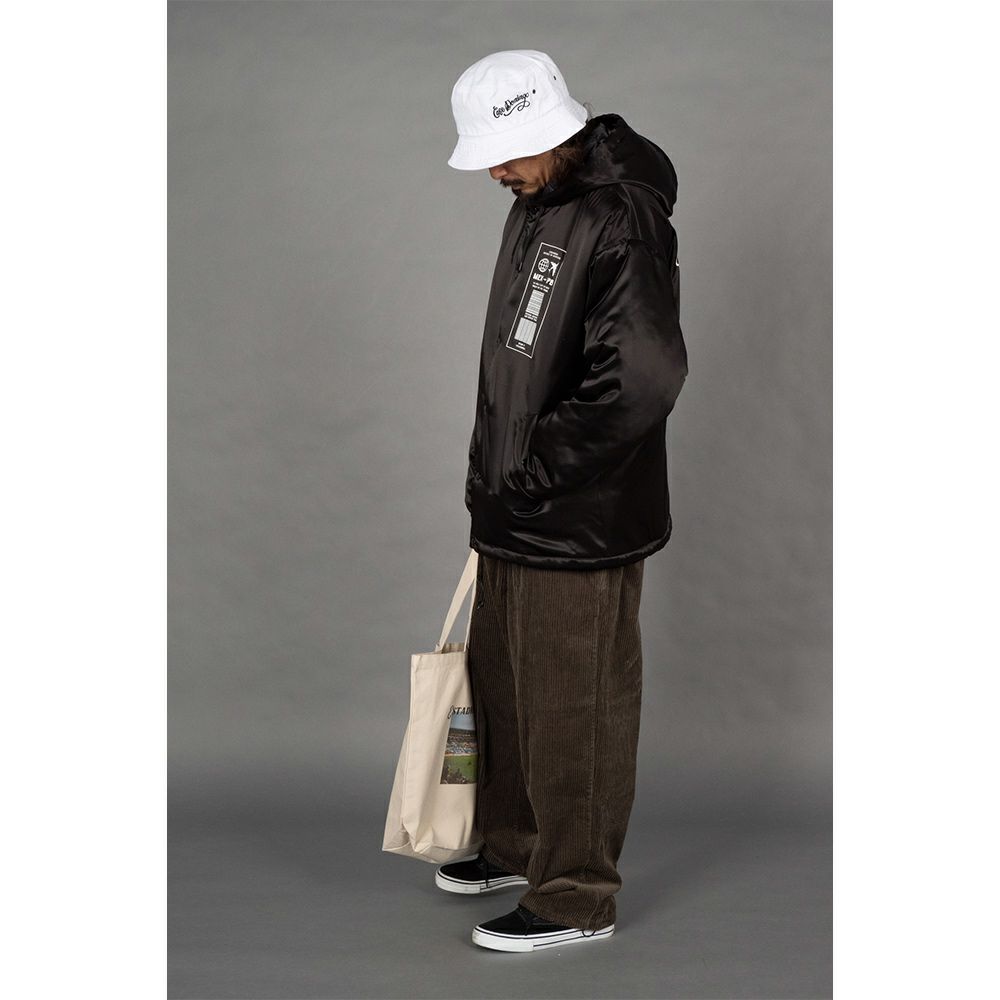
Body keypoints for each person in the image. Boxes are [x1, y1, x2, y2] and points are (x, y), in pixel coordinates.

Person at [436, 49, 688, 953]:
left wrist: (536, 474)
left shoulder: (620, 214)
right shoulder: (539, 202)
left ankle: (576, 895)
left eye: (503, 153)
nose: (493, 172)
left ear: (550, 132)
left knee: (573, 706)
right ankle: (515, 847)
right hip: (515, 508)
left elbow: (642, 378)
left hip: (576, 518)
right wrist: (496, 482)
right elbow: (521, 361)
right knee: (506, 691)